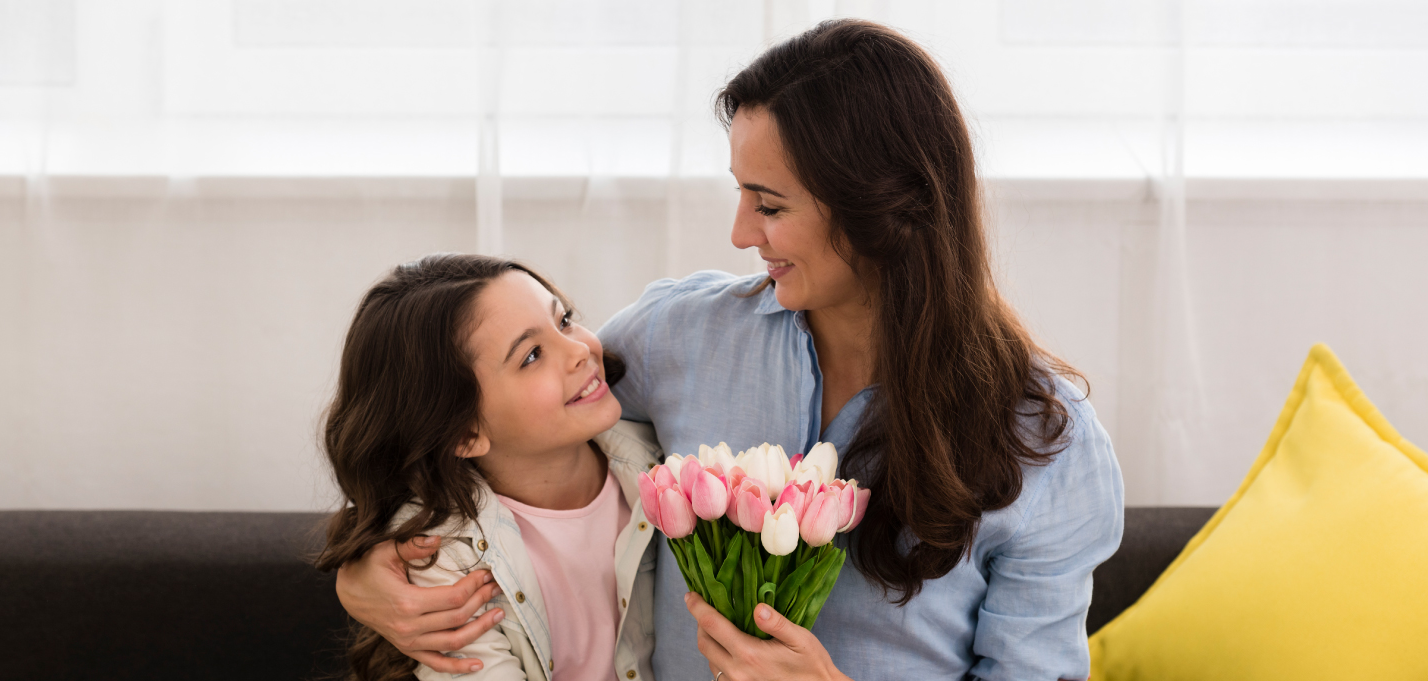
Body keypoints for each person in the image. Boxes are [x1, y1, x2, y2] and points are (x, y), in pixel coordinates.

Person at [333, 19, 1124, 681]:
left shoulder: (1046, 443)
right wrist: (365, 574)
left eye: (769, 204)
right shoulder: (678, 336)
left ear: (886, 208)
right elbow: (471, 422)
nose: (740, 234)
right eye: (739, 193)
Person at [314, 254, 660, 680]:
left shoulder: (666, 466)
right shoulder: (443, 557)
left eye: (564, 320)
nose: (579, 350)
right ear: (463, 434)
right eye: (532, 355)